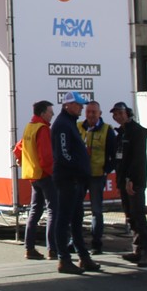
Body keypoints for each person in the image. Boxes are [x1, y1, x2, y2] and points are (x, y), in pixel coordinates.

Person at [50, 93, 100, 275]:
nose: (81, 108)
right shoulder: (63, 125)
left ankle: (83, 256)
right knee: (64, 219)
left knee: (77, 219)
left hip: (75, 178)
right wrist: (78, 166)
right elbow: (63, 154)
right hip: (68, 178)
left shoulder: (69, 123)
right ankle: (63, 259)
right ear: (68, 105)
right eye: (78, 105)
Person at [110, 101, 147, 267]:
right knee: (130, 216)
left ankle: (146, 252)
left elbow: (138, 159)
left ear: (128, 113)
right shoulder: (121, 133)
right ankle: (137, 249)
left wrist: (131, 179)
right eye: (115, 114)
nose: (118, 116)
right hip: (123, 181)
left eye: (121, 113)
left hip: (135, 181)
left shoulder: (137, 132)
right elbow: (119, 159)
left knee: (138, 215)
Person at [14, 100, 56, 260]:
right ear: (43, 113)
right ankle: (53, 249)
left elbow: (18, 148)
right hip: (44, 175)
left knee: (35, 211)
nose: (52, 114)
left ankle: (29, 248)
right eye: (50, 111)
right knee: (53, 210)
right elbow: (46, 156)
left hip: (33, 175)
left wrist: (21, 160)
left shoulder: (29, 127)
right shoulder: (43, 129)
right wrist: (53, 173)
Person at [78, 100, 114, 254]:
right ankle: (76, 241)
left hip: (97, 175)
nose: (91, 115)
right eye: (88, 112)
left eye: (94, 112)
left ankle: (96, 244)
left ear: (100, 113)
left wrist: (106, 170)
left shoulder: (107, 130)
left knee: (96, 210)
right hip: (80, 175)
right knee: (76, 208)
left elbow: (113, 153)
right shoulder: (79, 126)